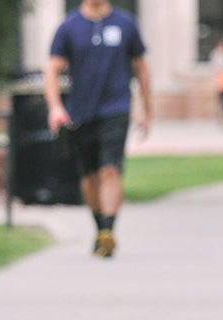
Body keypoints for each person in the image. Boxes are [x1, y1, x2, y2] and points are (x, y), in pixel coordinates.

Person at [43, 0, 152, 259]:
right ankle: (100, 227)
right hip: (80, 113)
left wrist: (147, 111)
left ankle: (108, 230)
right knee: (89, 176)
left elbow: (142, 69)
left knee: (110, 169)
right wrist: (55, 107)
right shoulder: (69, 27)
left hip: (116, 109)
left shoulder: (125, 23)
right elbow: (52, 69)